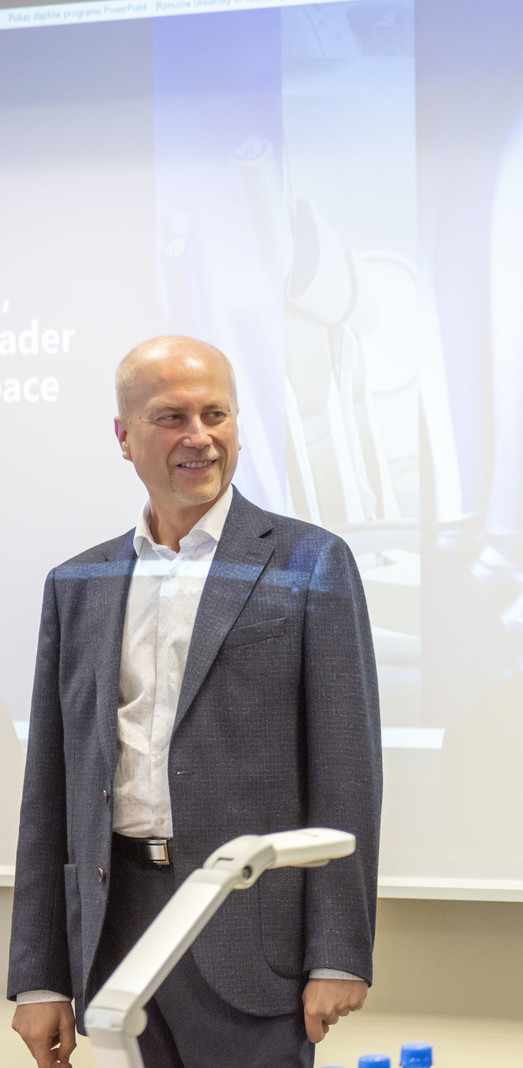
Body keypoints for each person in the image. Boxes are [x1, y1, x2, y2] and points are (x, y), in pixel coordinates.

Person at [7, 336, 383, 1068]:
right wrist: (39, 976)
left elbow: (347, 770)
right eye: (172, 417)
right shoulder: (77, 583)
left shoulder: (312, 562)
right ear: (124, 437)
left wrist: (339, 952)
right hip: (113, 932)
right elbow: (49, 791)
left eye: (216, 415)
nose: (200, 437)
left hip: (251, 935)